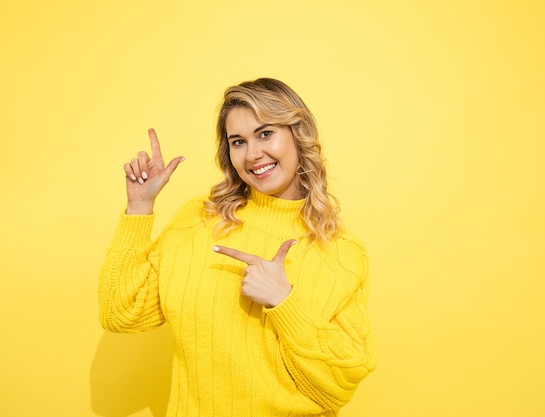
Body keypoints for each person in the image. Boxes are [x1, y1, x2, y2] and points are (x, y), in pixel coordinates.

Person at [98, 78, 376, 417]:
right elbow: (121, 313)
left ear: (297, 133)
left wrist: (283, 301)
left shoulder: (340, 251)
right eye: (238, 141)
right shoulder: (200, 219)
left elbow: (340, 383)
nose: (253, 154)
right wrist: (139, 207)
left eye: (265, 133)